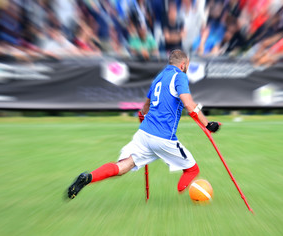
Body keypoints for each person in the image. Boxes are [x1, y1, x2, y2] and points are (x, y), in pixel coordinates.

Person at [67, 49, 220, 199]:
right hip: (164, 138)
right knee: (192, 170)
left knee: (122, 167)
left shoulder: (158, 78)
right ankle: (194, 194)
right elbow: (189, 104)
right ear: (183, 64)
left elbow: (144, 109)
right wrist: (207, 124)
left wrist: (142, 116)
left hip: (144, 134)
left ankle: (88, 177)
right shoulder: (179, 76)